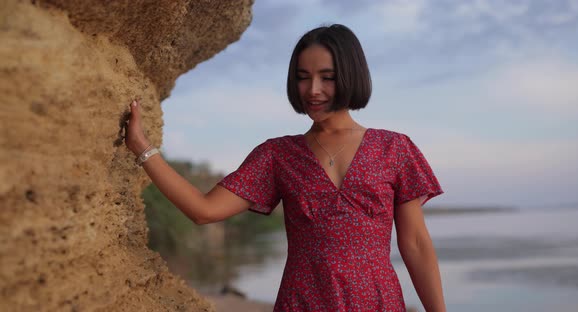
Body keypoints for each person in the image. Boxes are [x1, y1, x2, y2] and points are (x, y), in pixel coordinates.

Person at [125, 24, 445, 312]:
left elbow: (415, 243)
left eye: (327, 77)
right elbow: (203, 210)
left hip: (377, 303)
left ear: (351, 75)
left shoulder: (394, 148)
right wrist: (143, 148)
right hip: (303, 302)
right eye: (303, 77)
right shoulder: (277, 155)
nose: (313, 90)